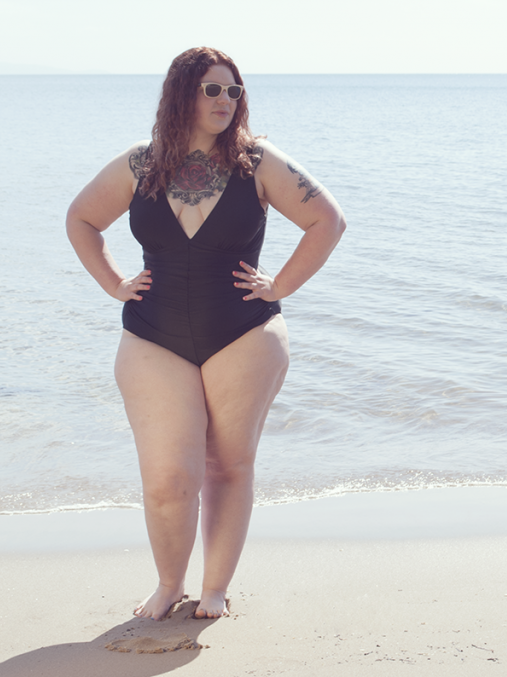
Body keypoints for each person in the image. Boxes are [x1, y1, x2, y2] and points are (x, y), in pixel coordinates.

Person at [66, 47, 346, 620]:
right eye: (211, 89)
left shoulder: (258, 161)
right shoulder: (140, 163)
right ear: (181, 95)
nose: (225, 100)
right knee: (169, 477)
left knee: (229, 464)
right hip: (151, 334)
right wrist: (114, 282)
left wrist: (280, 284)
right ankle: (169, 583)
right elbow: (81, 219)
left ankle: (214, 587)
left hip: (245, 332)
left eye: (233, 91)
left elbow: (328, 221)